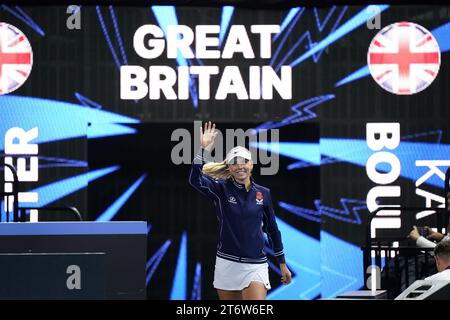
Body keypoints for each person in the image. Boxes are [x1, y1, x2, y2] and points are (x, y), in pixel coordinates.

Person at [189, 122, 292, 300]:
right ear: (229, 167)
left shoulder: (263, 194)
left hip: (256, 265)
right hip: (226, 263)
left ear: (251, 164)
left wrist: (282, 264)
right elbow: (195, 180)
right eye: (234, 163)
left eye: (244, 161)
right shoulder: (221, 189)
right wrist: (203, 149)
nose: (240, 166)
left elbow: (272, 230)